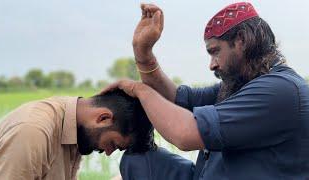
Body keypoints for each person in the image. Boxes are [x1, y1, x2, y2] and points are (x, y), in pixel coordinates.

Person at [101, 2, 309, 179]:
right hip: (205, 174)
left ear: (242, 41)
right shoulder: (243, 85)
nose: (212, 65)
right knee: (137, 160)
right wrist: (143, 53)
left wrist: (139, 89)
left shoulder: (280, 92)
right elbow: (178, 99)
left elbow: (184, 134)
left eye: (215, 52)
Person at [0, 89, 155, 180]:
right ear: (103, 118)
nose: (109, 152)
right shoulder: (33, 132)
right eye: (113, 144)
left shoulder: (76, 129)